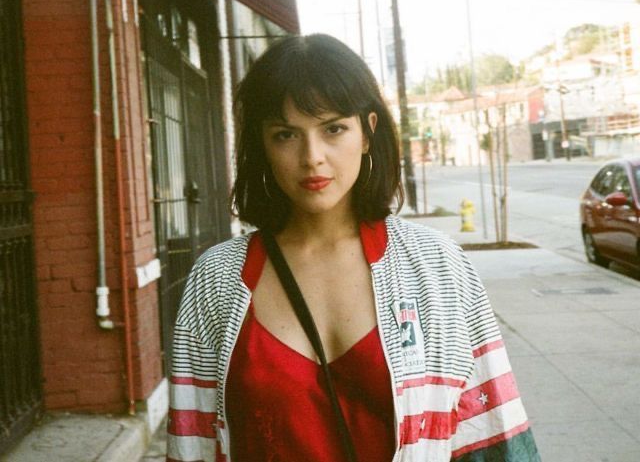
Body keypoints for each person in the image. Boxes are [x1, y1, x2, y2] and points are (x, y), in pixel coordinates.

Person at [166, 34, 540, 462]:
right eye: (286, 134)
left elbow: (493, 438)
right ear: (262, 145)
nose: (312, 157)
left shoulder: (436, 265)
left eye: (334, 128)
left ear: (367, 132)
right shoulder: (216, 279)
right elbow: (191, 445)